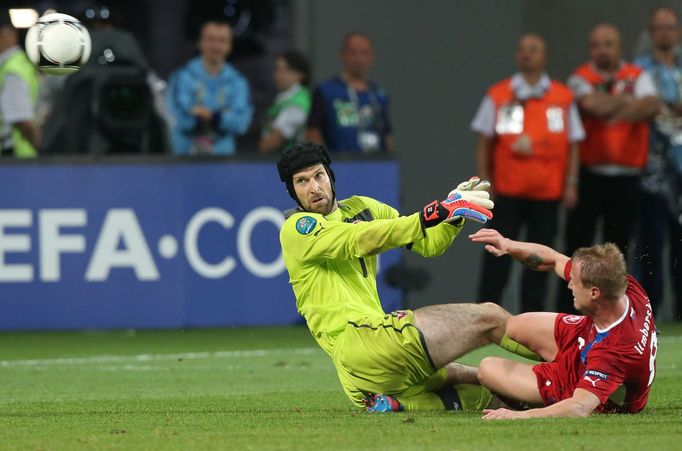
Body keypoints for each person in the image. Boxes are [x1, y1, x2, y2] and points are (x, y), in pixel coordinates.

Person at [278, 142, 540, 412]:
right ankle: (575, 358)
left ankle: (395, 404)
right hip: (358, 344)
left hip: (368, 372)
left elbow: (428, 243)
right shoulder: (297, 229)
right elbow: (358, 239)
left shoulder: (363, 208)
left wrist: (453, 215)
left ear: (330, 176)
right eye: (301, 181)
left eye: (318, 176)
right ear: (293, 192)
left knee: (487, 386)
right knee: (490, 317)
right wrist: (432, 214)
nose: (314, 188)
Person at [470, 228, 657, 419]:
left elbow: (579, 408)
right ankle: (555, 361)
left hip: (584, 379)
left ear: (594, 293)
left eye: (574, 282)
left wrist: (515, 416)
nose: (569, 285)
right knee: (516, 326)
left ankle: (537, 393)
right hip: (588, 333)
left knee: (487, 369)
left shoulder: (614, 352)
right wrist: (509, 245)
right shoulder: (622, 285)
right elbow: (554, 260)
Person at [470, 33, 584, 312]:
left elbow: (574, 143)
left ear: (544, 57)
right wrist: (485, 181)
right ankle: (485, 314)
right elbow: (484, 141)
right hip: (507, 193)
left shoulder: (562, 97)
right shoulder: (499, 95)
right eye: (522, 50)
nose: (526, 55)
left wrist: (571, 183)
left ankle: (532, 318)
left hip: (547, 195)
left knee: (539, 260)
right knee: (496, 255)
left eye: (533, 50)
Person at [563, 23, 659, 280]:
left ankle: (616, 312)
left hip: (627, 177)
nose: (601, 50)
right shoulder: (580, 77)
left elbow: (651, 105)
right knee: (577, 246)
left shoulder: (638, 75)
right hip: (589, 174)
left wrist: (610, 109)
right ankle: (569, 309)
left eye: (608, 44)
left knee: (619, 249)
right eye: (595, 45)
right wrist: (627, 103)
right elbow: (590, 104)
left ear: (619, 47)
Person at [633, 6, 682, 320]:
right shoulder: (639, 70)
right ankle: (646, 316)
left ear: (676, 33)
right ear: (651, 34)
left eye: (670, 27)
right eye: (659, 28)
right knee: (650, 246)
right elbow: (647, 107)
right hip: (651, 174)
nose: (665, 33)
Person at [167, 19, 253, 155]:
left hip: (223, 160)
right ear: (200, 43)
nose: (216, 46)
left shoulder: (238, 82)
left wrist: (213, 117)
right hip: (184, 158)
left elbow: (241, 124)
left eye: (222, 41)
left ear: (230, 46)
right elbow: (176, 119)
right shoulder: (181, 77)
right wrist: (222, 118)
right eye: (210, 39)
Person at [305, 32, 394, 153]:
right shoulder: (325, 92)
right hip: (340, 166)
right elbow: (313, 133)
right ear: (343, 55)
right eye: (353, 53)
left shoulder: (379, 95)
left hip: (375, 166)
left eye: (364, 53)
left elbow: (387, 135)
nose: (359, 59)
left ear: (371, 57)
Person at [0, 9, 39, 158]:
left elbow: (23, 121)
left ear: (7, 33)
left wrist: (44, 149)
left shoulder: (12, 71)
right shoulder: (20, 63)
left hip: (16, 157)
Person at [259, 51, 311, 153]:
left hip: (289, 162)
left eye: (285, 70)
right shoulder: (284, 96)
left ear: (300, 75)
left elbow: (273, 142)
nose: (278, 75)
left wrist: (262, 146)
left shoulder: (297, 103)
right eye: (277, 69)